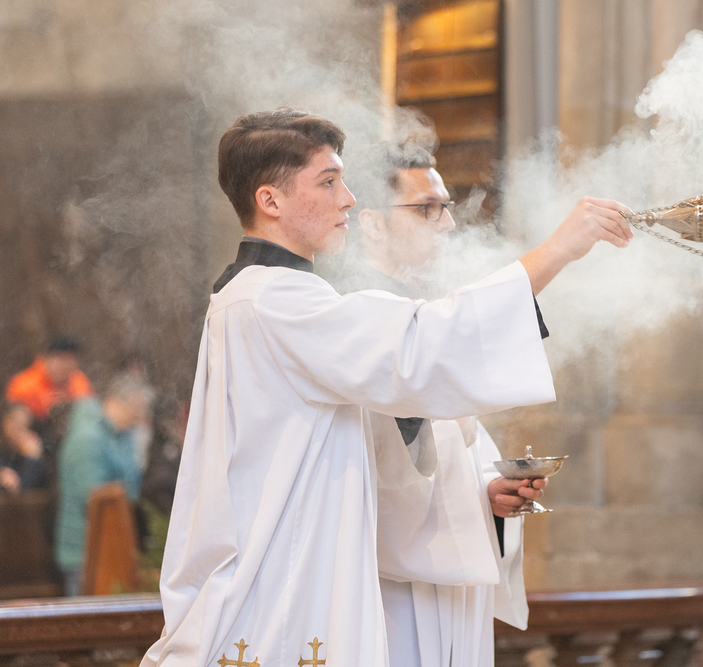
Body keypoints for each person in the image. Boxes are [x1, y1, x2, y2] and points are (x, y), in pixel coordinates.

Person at [140, 108, 631, 667]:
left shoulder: (262, 296)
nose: (348, 199)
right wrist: (559, 249)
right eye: (328, 182)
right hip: (280, 594)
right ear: (270, 200)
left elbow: (371, 439)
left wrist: (479, 495)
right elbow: (421, 348)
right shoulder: (275, 301)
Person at [334, 143, 542, 666]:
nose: (447, 223)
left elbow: (452, 445)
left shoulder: (427, 310)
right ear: (372, 223)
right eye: (426, 208)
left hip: (451, 584)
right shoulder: (353, 315)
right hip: (388, 585)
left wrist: (489, 492)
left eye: (446, 207)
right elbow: (379, 465)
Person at [55, 373, 153, 596]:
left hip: (112, 547)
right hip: (86, 551)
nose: (140, 417)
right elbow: (95, 498)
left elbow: (132, 487)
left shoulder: (122, 435)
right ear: (119, 401)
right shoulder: (87, 438)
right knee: (88, 615)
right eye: (138, 409)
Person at [6, 335, 94, 478]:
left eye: (71, 360)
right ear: (48, 358)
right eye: (61, 359)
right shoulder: (26, 384)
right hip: (34, 441)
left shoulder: (79, 383)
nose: (66, 366)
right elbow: (13, 422)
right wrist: (24, 440)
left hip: (65, 442)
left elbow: (88, 416)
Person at [0, 402, 46, 495]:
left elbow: (27, 489)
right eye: (15, 424)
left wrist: (32, 458)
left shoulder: (31, 451)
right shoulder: (4, 452)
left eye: (25, 426)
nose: (21, 432)